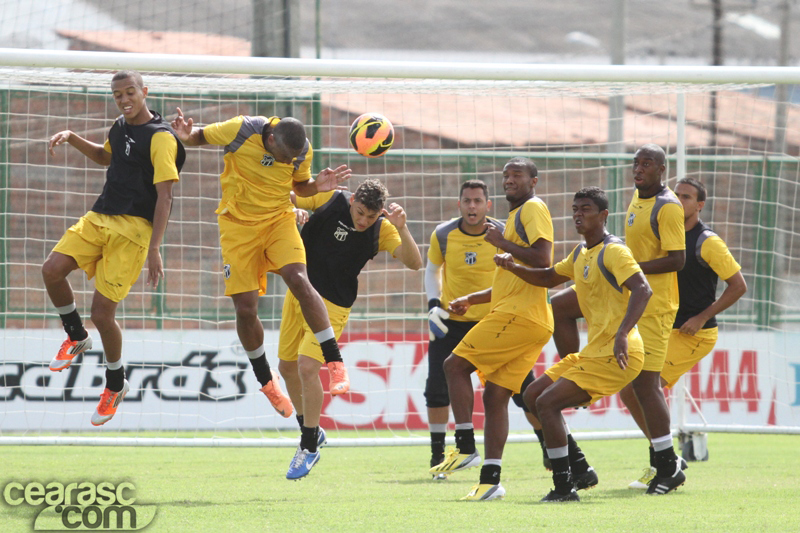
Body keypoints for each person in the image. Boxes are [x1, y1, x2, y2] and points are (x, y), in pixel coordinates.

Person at [171, 109, 352, 420]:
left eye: (292, 158)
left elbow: (299, 186)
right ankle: (267, 382)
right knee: (245, 309)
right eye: (284, 157)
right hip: (237, 228)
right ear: (270, 140)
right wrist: (187, 137)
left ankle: (335, 362)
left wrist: (316, 186)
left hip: (278, 220)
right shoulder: (240, 129)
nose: (288, 162)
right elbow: (199, 136)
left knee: (299, 279)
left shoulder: (301, 150)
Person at [43, 71, 185, 426]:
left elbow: (166, 195)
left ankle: (116, 383)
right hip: (101, 215)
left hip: (134, 231)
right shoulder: (119, 126)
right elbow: (105, 157)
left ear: (144, 92)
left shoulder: (161, 137)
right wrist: (72, 136)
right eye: (117, 94)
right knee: (51, 270)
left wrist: (155, 248)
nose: (124, 99)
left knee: (102, 314)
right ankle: (76, 336)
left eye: (130, 92)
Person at [278, 179, 422, 480]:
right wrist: (292, 210)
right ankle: (311, 430)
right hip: (298, 293)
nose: (363, 221)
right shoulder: (330, 199)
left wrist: (403, 228)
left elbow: (415, 263)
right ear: (352, 199)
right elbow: (286, 196)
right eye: (360, 213)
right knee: (287, 368)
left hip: (332, 307)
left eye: (371, 216)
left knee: (307, 367)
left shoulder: (382, 229)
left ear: (380, 213)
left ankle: (309, 447)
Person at [514, 186, 651, 501]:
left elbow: (643, 289)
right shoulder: (580, 253)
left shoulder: (614, 251)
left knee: (547, 403)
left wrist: (622, 333)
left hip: (618, 354)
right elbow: (548, 277)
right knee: (532, 395)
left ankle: (564, 486)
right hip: (593, 353)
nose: (578, 215)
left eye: (586, 209)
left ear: (603, 215)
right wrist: (512, 267)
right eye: (575, 209)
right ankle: (579, 468)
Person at [428, 157, 554, 501]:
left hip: (517, 316)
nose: (510, 179)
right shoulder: (513, 218)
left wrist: (502, 244)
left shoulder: (531, 208)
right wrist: (473, 297)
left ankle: (465, 446)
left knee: (454, 366)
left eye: (518, 175)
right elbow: (512, 276)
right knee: (495, 397)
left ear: (534, 181)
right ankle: (491, 480)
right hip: (526, 316)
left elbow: (543, 259)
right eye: (506, 175)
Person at [627, 177, 746, 490]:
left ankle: (664, 463)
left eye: (687, 197)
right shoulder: (666, 234)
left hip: (694, 334)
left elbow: (738, 285)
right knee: (630, 388)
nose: (679, 201)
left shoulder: (707, 242)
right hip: (664, 327)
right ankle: (666, 457)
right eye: (676, 195)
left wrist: (702, 316)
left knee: (645, 386)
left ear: (700, 205)